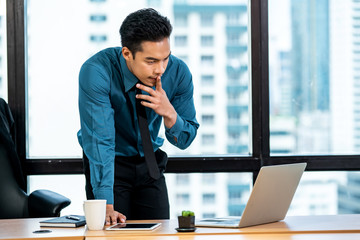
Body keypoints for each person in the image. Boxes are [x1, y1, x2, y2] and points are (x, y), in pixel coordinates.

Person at [77, 8, 199, 225]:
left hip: (150, 162)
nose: (160, 69)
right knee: (112, 233)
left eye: (165, 59)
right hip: (109, 163)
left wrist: (170, 113)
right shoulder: (97, 71)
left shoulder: (178, 72)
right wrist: (105, 204)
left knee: (160, 231)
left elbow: (185, 140)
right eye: (151, 61)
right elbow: (100, 140)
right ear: (127, 54)